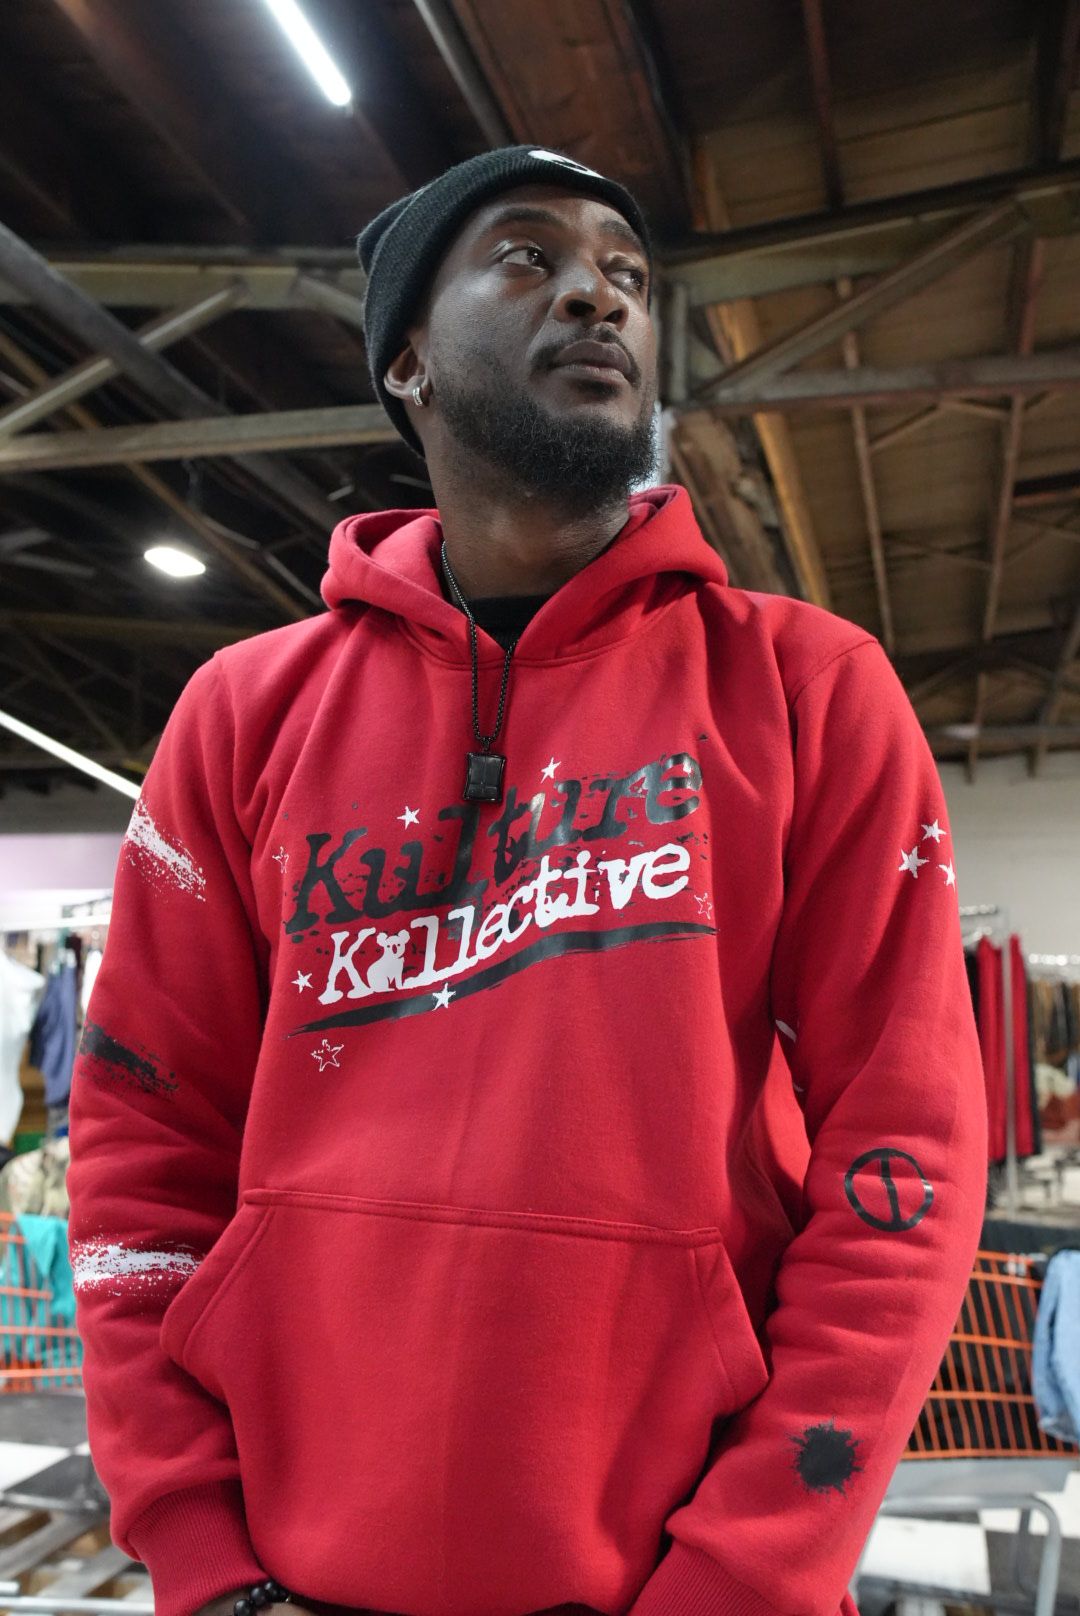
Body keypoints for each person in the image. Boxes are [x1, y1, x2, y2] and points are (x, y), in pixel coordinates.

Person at [67, 146, 988, 1616]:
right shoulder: (244, 713)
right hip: (284, 1582)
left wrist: (749, 1574)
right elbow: (138, 1152)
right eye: (526, 258)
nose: (594, 296)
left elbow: (909, 1160)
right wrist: (196, 1547)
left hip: (670, 1582)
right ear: (409, 360)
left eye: (626, 274)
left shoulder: (811, 690)